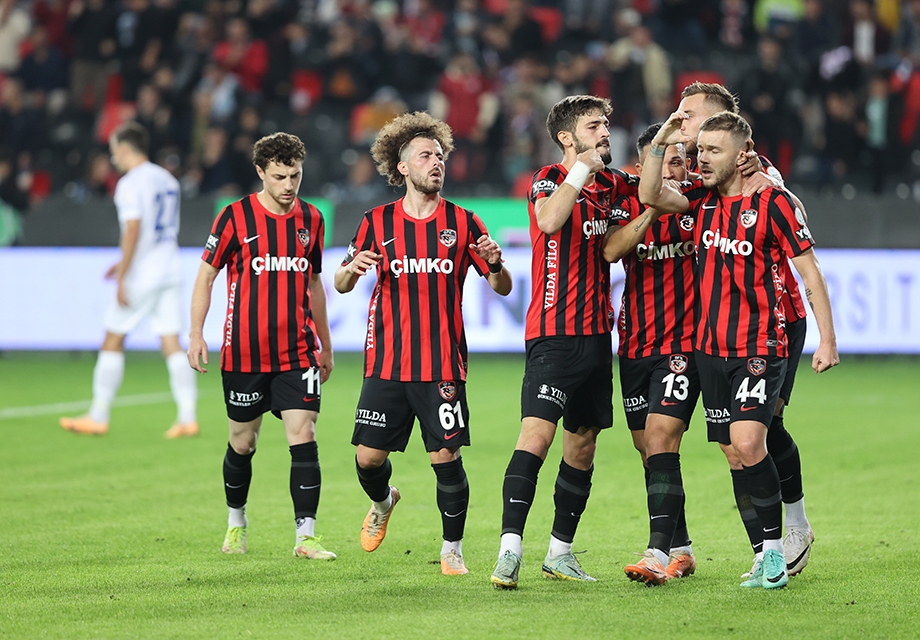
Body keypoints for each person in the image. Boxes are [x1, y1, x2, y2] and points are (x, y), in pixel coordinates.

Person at [639, 109, 839, 589]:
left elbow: (809, 272)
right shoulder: (699, 200)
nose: (700, 158)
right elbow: (649, 193)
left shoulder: (774, 202)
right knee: (735, 449)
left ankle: (774, 552)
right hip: (710, 349)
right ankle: (769, 548)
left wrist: (826, 339)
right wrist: (665, 140)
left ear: (742, 154)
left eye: (712, 151)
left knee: (751, 441)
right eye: (698, 150)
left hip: (760, 344)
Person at [335, 111, 512, 576]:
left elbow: (503, 288)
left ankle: (451, 549)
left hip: (442, 365)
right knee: (368, 458)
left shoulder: (464, 222)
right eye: (425, 156)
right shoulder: (376, 222)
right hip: (387, 364)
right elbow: (339, 283)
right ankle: (383, 501)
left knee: (446, 458)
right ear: (402, 168)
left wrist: (495, 264)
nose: (437, 163)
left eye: (440, 155)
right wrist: (351, 270)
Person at [490, 95, 639, 589]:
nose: (605, 133)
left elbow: (612, 249)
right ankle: (509, 549)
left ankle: (560, 551)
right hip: (553, 332)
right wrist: (581, 170)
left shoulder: (615, 186)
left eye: (607, 125)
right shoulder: (548, 180)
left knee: (583, 444)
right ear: (566, 138)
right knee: (536, 436)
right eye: (594, 126)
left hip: (598, 336)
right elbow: (550, 221)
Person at [676, 81, 818, 578]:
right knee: (735, 442)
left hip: (777, 319)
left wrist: (775, 189)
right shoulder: (702, 174)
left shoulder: (757, 173)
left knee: (760, 429)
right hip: (720, 330)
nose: (681, 122)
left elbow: (794, 220)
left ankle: (792, 527)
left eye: (689, 114)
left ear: (719, 120)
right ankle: (765, 550)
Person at [186, 132, 336, 560]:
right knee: (242, 442)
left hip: (298, 352)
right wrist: (196, 333)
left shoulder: (313, 219)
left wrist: (324, 344)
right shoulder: (233, 217)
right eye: (279, 176)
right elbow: (206, 277)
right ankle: (237, 523)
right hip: (245, 353)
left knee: (303, 433)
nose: (289, 185)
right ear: (260, 173)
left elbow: (313, 284)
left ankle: (305, 537)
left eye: (296, 175)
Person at [604, 124, 702, 585]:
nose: (676, 167)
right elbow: (611, 251)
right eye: (666, 159)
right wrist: (648, 207)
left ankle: (657, 553)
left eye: (682, 159)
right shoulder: (627, 201)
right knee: (649, 450)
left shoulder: (700, 200)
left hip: (683, 344)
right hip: (635, 344)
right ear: (643, 167)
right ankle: (681, 549)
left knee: (663, 437)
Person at [60, 122, 198, 438]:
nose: (113, 159)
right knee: (171, 342)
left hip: (143, 273)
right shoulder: (167, 179)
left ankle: (98, 415)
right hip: (168, 268)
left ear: (124, 148)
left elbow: (134, 229)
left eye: (113, 152)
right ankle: (188, 417)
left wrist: (124, 274)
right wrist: (121, 262)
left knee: (112, 339)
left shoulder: (130, 183)